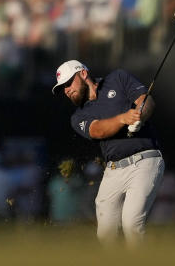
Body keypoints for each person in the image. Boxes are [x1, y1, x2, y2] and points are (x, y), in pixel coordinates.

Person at [53, 59, 164, 245]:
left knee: (131, 223)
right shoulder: (78, 116)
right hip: (113, 170)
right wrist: (123, 119)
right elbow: (97, 130)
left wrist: (140, 116)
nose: (66, 90)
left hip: (145, 161)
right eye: (62, 87)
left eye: (68, 83)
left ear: (83, 74)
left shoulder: (117, 78)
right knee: (106, 233)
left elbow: (146, 100)